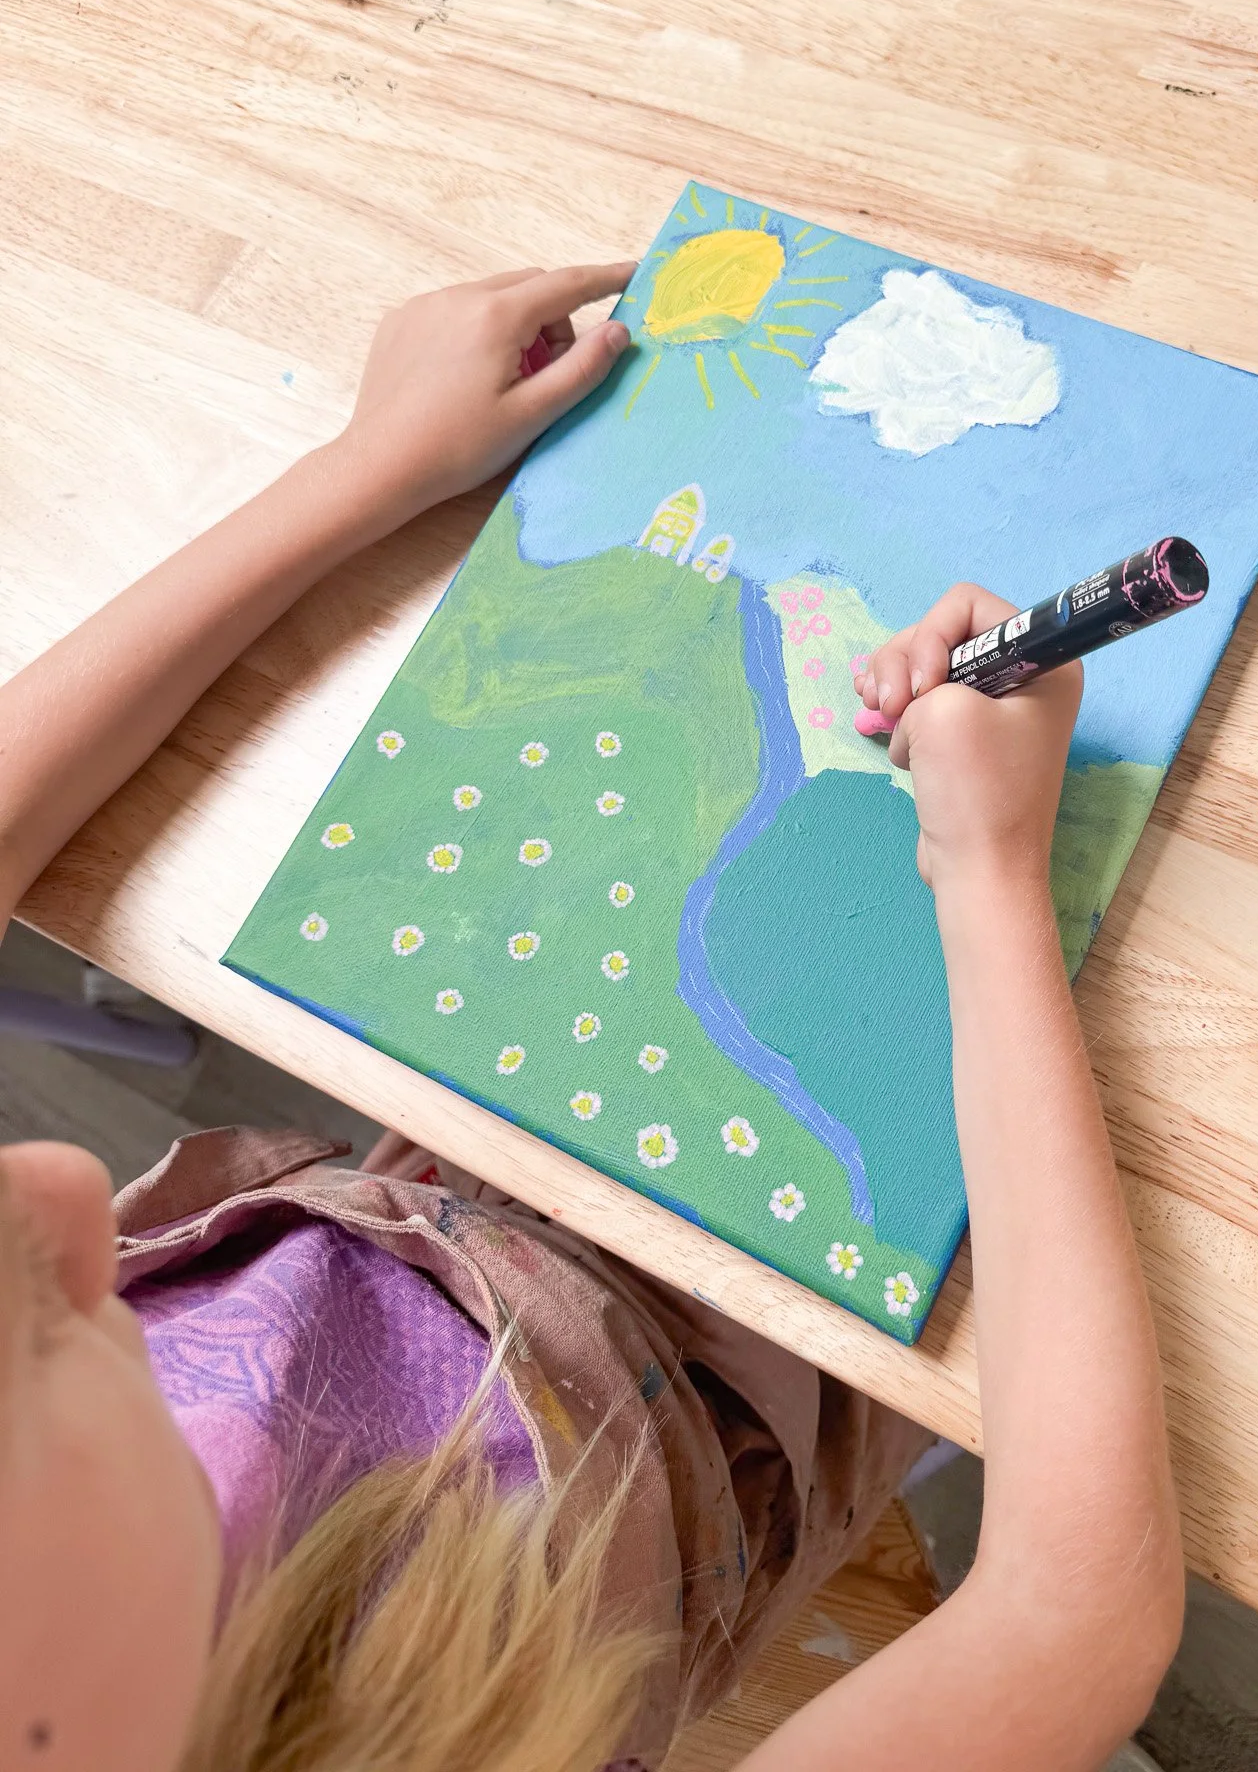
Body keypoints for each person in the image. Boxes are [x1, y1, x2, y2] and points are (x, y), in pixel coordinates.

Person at [0, 261, 1184, 1772]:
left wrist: (368, 465)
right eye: (32, 1341)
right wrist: (989, 873)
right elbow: (1077, 1612)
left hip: (431, 1191)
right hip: (756, 1382)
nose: (63, 1185)